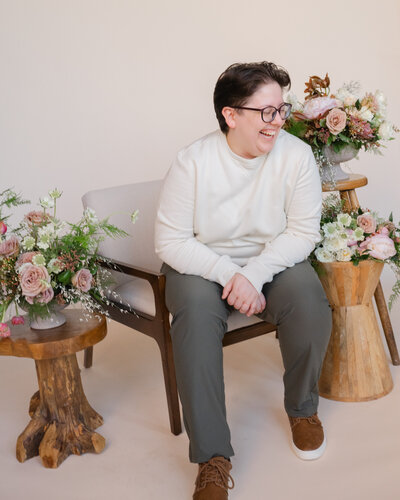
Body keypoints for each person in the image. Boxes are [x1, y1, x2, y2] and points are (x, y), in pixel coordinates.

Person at [154, 61, 332, 500]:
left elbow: (303, 233)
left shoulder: (296, 156)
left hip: (269, 262)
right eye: (265, 112)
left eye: (281, 110)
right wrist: (230, 275)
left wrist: (253, 274)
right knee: (194, 319)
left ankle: (302, 408)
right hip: (200, 263)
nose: (277, 122)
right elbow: (171, 241)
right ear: (231, 115)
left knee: (309, 300)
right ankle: (213, 457)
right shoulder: (192, 161)